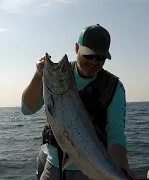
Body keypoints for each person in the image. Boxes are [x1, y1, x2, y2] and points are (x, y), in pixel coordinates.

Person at [21, 24, 138, 180]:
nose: (94, 62)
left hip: (94, 168)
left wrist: (122, 167)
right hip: (54, 165)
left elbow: (115, 133)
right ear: (77, 48)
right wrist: (38, 75)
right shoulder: (58, 77)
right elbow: (27, 109)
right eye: (89, 55)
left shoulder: (114, 87)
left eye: (101, 57)